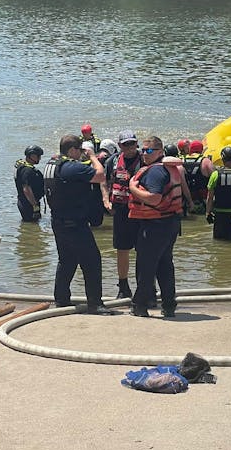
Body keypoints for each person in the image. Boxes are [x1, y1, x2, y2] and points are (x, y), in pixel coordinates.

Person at [43, 134, 112, 314]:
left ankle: (61, 299)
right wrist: (92, 156)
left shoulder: (51, 164)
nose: (80, 154)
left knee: (67, 261)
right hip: (74, 223)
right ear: (72, 150)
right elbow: (100, 175)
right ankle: (95, 304)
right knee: (92, 261)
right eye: (79, 150)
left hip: (58, 221)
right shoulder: (70, 168)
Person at [127, 136, 183, 318]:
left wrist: (132, 187)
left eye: (149, 150)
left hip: (155, 226)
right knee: (165, 265)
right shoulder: (168, 169)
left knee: (147, 267)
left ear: (160, 152)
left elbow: (154, 198)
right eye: (142, 150)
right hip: (169, 224)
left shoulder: (155, 172)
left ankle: (140, 306)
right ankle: (169, 305)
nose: (144, 154)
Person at [103, 130, 142, 299]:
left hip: (142, 210)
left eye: (132, 143)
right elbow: (103, 182)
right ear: (119, 146)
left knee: (144, 250)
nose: (130, 147)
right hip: (120, 210)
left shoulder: (145, 160)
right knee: (122, 249)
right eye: (126, 144)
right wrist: (106, 201)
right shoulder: (112, 162)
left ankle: (145, 286)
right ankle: (123, 286)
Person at [15, 145, 45, 222]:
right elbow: (26, 189)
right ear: (32, 156)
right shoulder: (27, 171)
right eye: (38, 156)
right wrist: (35, 206)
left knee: (31, 227)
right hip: (28, 204)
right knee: (32, 224)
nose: (40, 158)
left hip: (29, 203)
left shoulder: (25, 167)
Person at [183, 140, 214, 213]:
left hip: (187, 200)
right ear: (201, 149)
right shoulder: (206, 161)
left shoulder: (181, 160)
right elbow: (215, 178)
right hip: (203, 199)